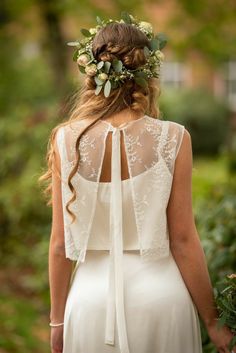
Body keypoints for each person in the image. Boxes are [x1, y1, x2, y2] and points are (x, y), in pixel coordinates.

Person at [39, 13, 236, 353]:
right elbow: (184, 239)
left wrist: (57, 323)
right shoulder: (173, 138)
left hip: (89, 303)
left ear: (92, 72)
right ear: (147, 75)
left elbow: (59, 245)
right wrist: (213, 323)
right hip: (161, 300)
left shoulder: (65, 140)